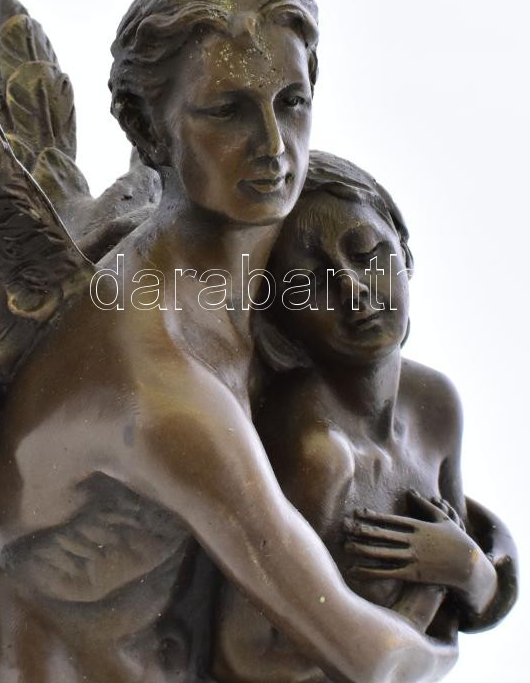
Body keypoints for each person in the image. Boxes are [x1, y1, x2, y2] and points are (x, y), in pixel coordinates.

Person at [0, 0, 457, 683]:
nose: (274, 145)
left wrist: (480, 558)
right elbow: (372, 656)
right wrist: (448, 603)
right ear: (146, 128)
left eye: (291, 102)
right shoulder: (155, 383)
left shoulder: (276, 279)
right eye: (228, 111)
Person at [212, 151, 518, 682]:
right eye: (311, 282)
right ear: (276, 315)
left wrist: (471, 570)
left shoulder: (434, 405)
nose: (353, 290)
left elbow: (469, 560)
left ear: (403, 247)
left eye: (368, 252)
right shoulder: (318, 456)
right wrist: (423, 612)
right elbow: (246, 658)